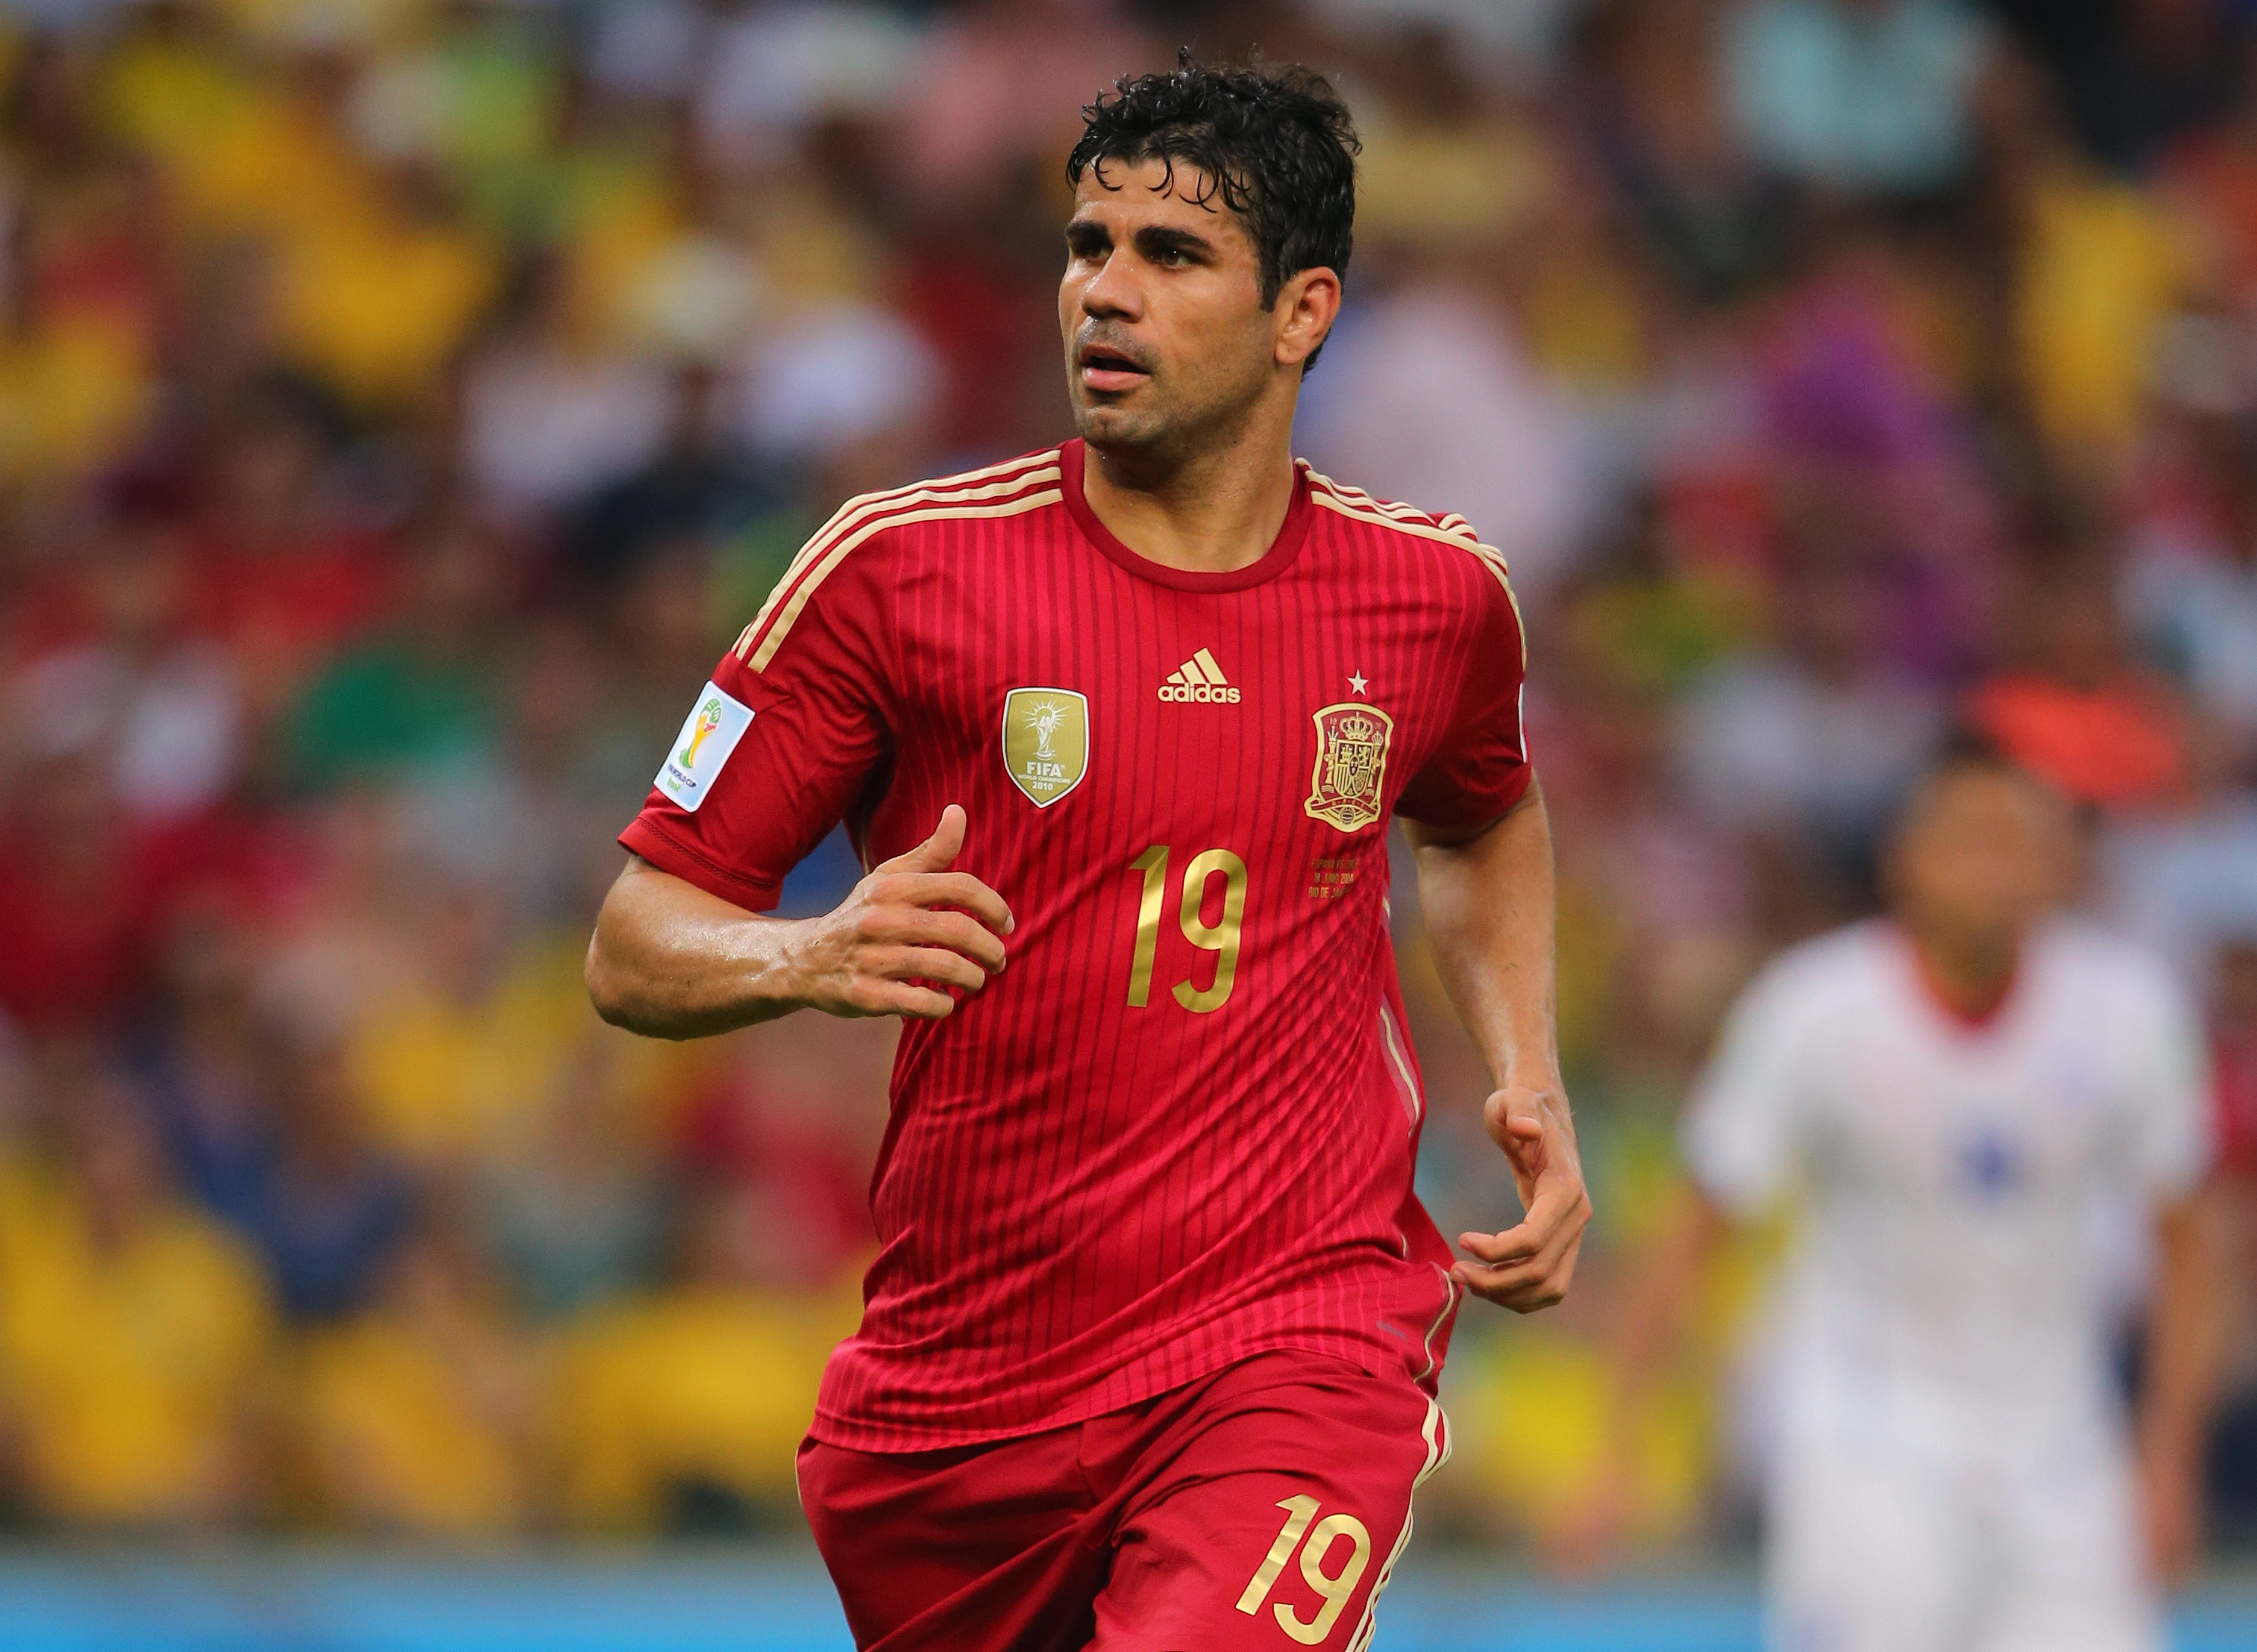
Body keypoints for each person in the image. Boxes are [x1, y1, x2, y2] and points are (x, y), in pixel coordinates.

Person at [585, 59, 1590, 1652]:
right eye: (1086, 247)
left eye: (1170, 257)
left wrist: (1524, 1070)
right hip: (959, 1408)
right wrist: (811, 952)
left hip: (1297, 1348)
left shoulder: (1435, 601)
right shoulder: (898, 573)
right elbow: (635, 941)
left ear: (1301, 313)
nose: (1103, 295)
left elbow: (1483, 811)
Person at [1555, 741, 2222, 1652]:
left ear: (2057, 862)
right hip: (1868, 1438)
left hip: (2064, 1443)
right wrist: (1612, 1454)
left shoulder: (2129, 1012)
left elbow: (2190, 1243)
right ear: (1904, 861)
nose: (1995, 868)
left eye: (2019, 842)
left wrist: (2168, 1457)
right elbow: (1693, 1228)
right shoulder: (1813, 1011)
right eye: (1969, 841)